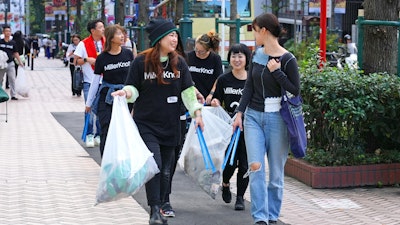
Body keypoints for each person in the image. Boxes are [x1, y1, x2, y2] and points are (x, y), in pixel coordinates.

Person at [112, 18, 204, 225]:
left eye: (175, 35)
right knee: (154, 164)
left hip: (171, 126)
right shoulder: (141, 62)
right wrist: (125, 92)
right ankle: (154, 209)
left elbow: (188, 92)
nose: (175, 38)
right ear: (159, 38)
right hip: (146, 124)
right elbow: (133, 88)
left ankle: (161, 205)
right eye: (170, 34)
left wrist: (197, 113)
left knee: (165, 171)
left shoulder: (179, 62)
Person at [232, 13, 300, 225]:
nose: (252, 34)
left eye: (254, 29)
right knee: (256, 167)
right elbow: (249, 87)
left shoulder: (288, 59)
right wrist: (239, 113)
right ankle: (260, 218)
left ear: (264, 31)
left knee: (277, 174)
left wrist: (278, 73)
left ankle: (272, 216)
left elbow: (295, 91)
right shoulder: (256, 55)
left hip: (277, 120)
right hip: (253, 117)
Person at [210, 43, 251, 211]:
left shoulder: (252, 79)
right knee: (230, 163)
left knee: (245, 164)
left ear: (247, 58)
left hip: (249, 128)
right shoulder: (224, 79)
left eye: (240, 56)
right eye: (234, 56)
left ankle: (240, 197)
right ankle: (225, 184)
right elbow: (217, 98)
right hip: (229, 129)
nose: (237, 59)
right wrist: (215, 102)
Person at [85, 24, 134, 158]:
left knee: (124, 131)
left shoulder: (128, 54)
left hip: (126, 96)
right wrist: (88, 103)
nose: (122, 36)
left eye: (123, 33)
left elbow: (135, 77)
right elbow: (95, 82)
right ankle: (107, 162)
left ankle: (122, 160)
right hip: (107, 97)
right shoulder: (102, 58)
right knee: (106, 129)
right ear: (111, 38)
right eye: (119, 34)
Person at [74, 19, 105, 147]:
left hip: (104, 81)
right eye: (101, 27)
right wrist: (87, 59)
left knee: (101, 109)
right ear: (93, 30)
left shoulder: (106, 42)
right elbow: (75, 61)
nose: (103, 29)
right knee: (90, 108)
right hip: (89, 81)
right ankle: (89, 134)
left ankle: (99, 134)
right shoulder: (83, 44)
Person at [187, 30, 223, 105]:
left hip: (208, 98)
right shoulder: (189, 57)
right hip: (192, 97)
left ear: (209, 50)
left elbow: (218, 78)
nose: (197, 53)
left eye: (201, 51)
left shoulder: (215, 59)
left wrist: (211, 94)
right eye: (196, 49)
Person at [0, 25, 25, 100]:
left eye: (9, 31)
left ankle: (13, 95)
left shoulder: (13, 43)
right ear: (3, 32)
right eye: (6, 31)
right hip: (2, 64)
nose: (8, 33)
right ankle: (1, 94)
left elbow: (15, 53)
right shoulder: (0, 42)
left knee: (12, 79)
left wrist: (20, 62)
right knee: (0, 79)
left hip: (10, 63)